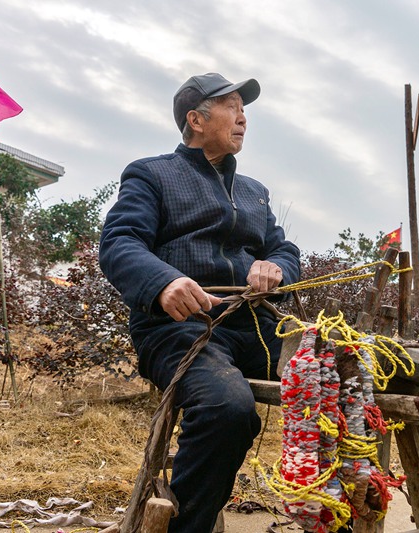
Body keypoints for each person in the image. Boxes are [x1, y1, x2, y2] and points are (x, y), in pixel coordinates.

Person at [99, 72, 300, 532]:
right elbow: (120, 242)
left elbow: (284, 250)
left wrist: (275, 268)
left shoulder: (253, 191)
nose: (244, 118)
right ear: (196, 119)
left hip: (254, 326)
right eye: (232, 107)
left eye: (244, 109)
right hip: (177, 327)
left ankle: (334, 515)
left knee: (339, 378)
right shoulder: (151, 174)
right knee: (227, 408)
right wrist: (164, 282)